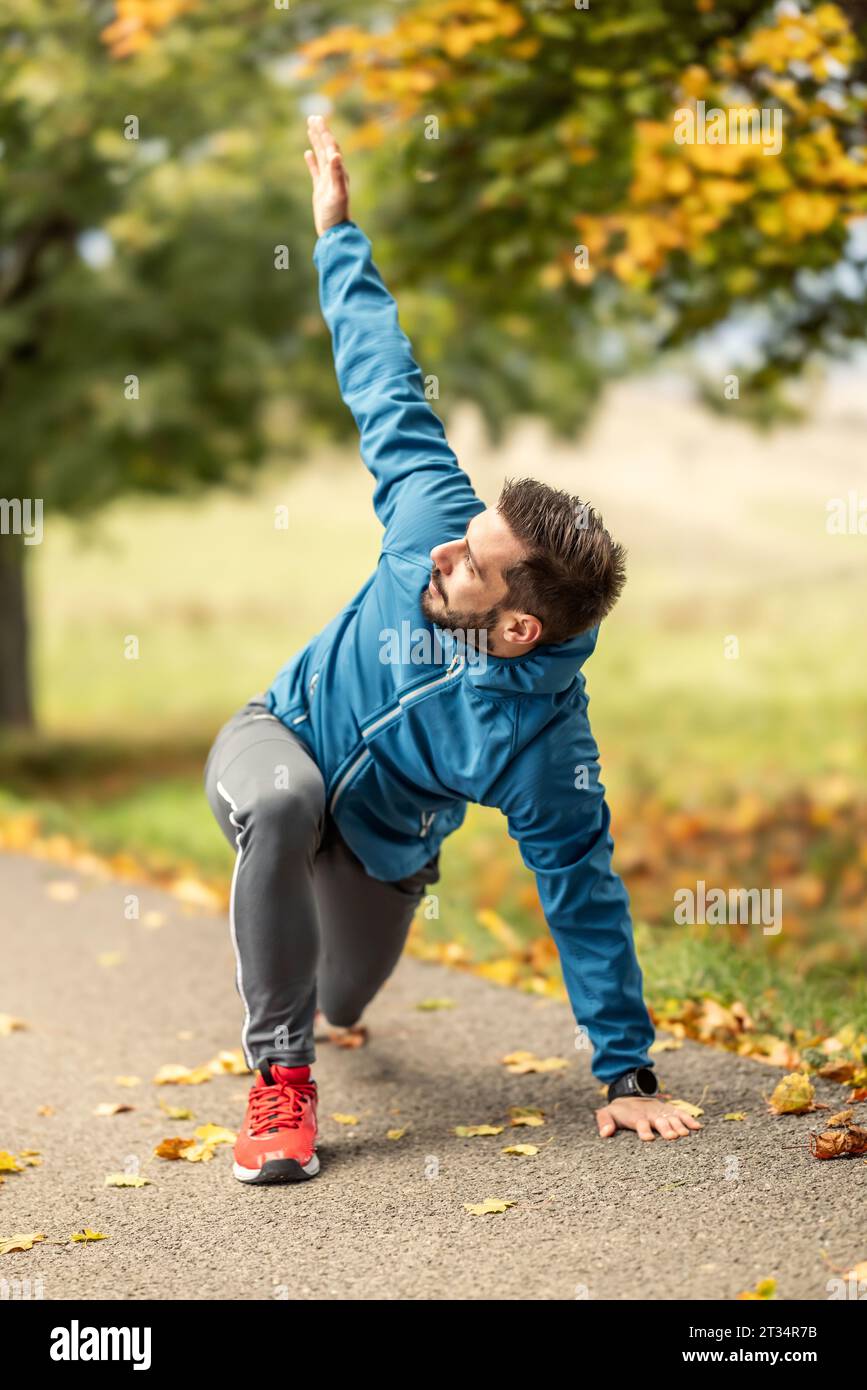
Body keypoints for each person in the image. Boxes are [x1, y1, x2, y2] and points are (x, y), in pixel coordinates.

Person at [203, 114, 702, 1185]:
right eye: (457, 538)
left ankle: (325, 1014)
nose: (439, 551)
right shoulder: (436, 509)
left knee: (344, 995)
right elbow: (382, 377)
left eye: (470, 564)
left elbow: (583, 889)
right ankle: (279, 1092)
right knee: (283, 806)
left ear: (521, 626)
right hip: (276, 737)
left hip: (386, 852)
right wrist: (338, 233)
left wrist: (628, 1078)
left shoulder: (544, 748)